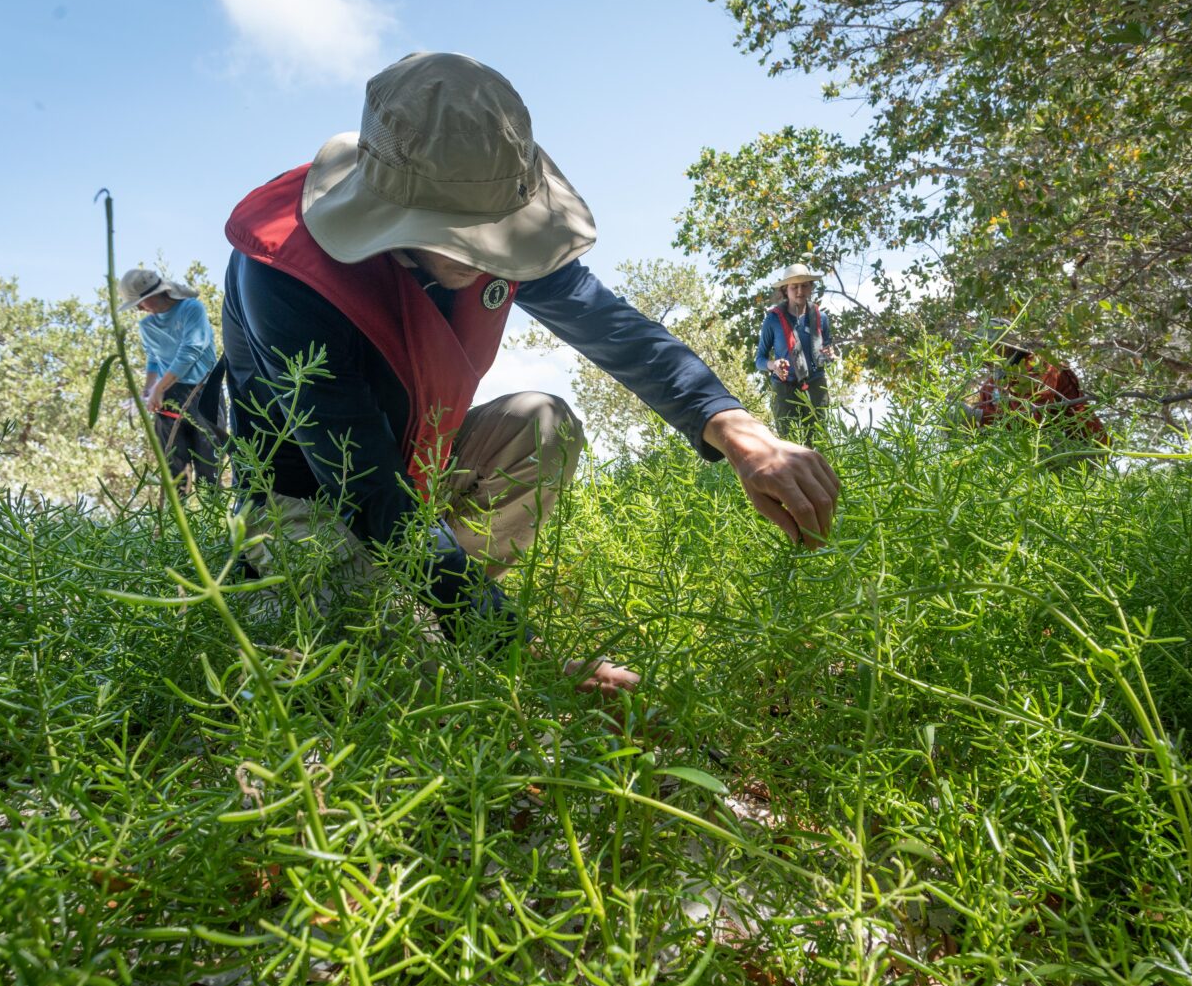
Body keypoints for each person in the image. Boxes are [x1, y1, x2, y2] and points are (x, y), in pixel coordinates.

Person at [219, 52, 839, 696]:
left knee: (542, 424)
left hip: (417, 477)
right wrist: (518, 655)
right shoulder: (284, 274)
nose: (494, 251)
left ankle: (436, 601)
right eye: (468, 235)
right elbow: (366, 488)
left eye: (502, 230)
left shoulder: (493, 210)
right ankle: (394, 619)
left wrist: (739, 432)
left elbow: (613, 327)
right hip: (309, 499)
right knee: (398, 684)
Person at [118, 269, 224, 492]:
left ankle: (212, 521)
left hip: (204, 393)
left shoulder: (191, 309)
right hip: (168, 397)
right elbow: (153, 360)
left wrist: (159, 386)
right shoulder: (147, 326)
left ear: (153, 295)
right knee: (173, 471)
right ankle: (175, 523)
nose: (138, 309)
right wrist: (148, 391)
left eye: (139, 302)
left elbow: (191, 349)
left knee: (209, 468)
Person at [964, 325, 1107, 445]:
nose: (983, 353)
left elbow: (1033, 420)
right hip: (1038, 449)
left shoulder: (1039, 366)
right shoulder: (989, 386)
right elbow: (989, 429)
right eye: (980, 347)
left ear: (1007, 347)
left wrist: (978, 416)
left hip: (1082, 445)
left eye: (989, 345)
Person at [754, 264, 836, 445]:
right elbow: (759, 359)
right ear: (785, 290)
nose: (800, 291)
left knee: (818, 442)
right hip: (784, 389)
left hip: (815, 385)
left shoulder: (821, 318)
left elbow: (826, 353)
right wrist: (773, 366)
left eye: (805, 285)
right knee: (788, 444)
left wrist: (830, 355)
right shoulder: (772, 320)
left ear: (811, 288)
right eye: (794, 287)